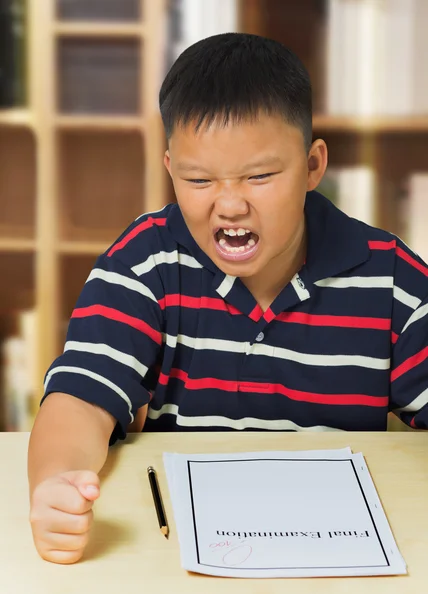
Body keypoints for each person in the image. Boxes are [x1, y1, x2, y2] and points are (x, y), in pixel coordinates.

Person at [28, 32, 428, 565]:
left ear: (313, 166)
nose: (230, 204)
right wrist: (57, 485)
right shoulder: (146, 261)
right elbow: (81, 397)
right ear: (170, 169)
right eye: (198, 179)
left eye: (260, 176)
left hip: (340, 557)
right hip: (181, 551)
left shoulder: (390, 278)